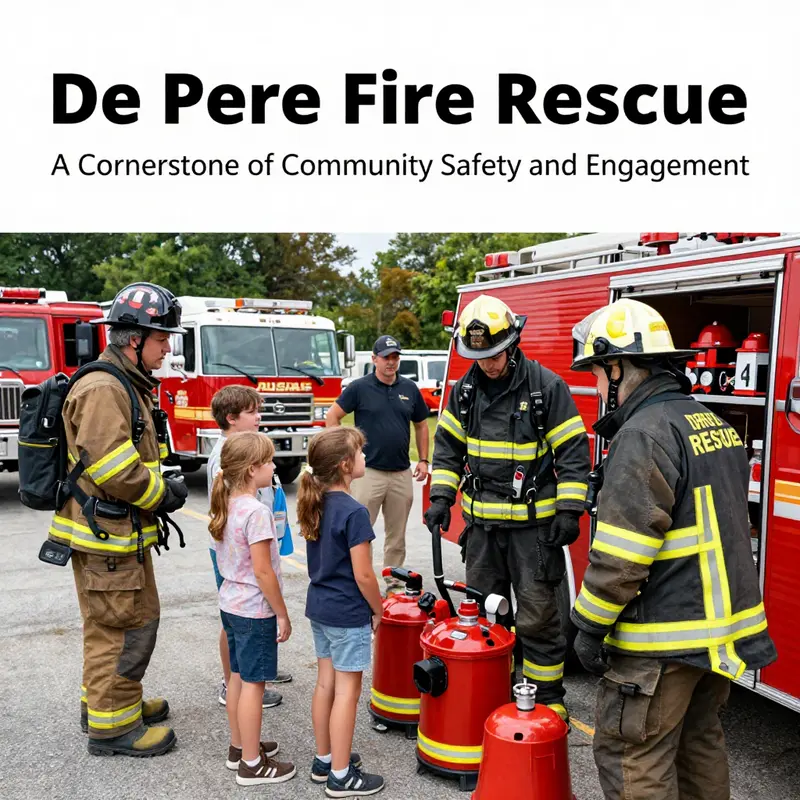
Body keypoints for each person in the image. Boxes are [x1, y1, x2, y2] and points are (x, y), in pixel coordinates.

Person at [568, 298, 777, 800]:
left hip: (659, 642)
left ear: (616, 367)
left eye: (598, 373)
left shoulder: (643, 435)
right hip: (714, 641)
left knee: (632, 753)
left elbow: (621, 555)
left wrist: (589, 626)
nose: (597, 387)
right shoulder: (712, 425)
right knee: (699, 745)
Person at [424, 294, 590, 721]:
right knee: (483, 616)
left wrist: (570, 511)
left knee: (538, 619)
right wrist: (441, 497)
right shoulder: (464, 392)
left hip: (534, 534)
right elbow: (446, 452)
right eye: (479, 356)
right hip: (482, 533)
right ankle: (490, 693)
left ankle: (547, 701)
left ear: (512, 344)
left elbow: (572, 452)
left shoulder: (545, 388)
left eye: (494, 355)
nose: (488, 364)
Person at [48, 282, 189, 756]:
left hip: (116, 535)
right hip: (106, 537)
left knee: (120, 622)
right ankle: (114, 729)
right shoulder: (106, 387)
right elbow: (113, 469)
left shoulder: (123, 381)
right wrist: (163, 494)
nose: (167, 348)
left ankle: (113, 703)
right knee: (122, 627)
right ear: (135, 340)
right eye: (161, 338)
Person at [299, 427, 385, 797]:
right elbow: (363, 574)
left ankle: (324, 759)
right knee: (348, 691)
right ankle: (341, 774)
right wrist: (378, 609)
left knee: (325, 684)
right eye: (361, 455)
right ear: (346, 465)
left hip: (320, 606)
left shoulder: (315, 502)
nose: (366, 459)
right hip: (347, 611)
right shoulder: (355, 512)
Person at [209, 431, 296, 786]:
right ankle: (251, 764)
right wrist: (282, 612)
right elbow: (263, 570)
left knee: (236, 679)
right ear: (251, 470)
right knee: (253, 684)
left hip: (230, 603)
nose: (274, 466)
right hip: (254, 609)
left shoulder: (224, 503)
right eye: (269, 461)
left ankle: (239, 746)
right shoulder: (256, 512)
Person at [207, 385, 292, 710]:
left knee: (239, 620)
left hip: (250, 545)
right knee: (239, 621)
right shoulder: (228, 457)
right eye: (252, 412)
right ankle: (234, 681)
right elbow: (259, 569)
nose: (259, 416)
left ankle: (252, 669)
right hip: (242, 554)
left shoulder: (244, 449)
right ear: (231, 418)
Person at [326, 335, 429, 595]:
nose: (391, 362)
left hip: (400, 472)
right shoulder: (359, 388)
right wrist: (343, 454)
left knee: (397, 535)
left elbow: (421, 424)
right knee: (359, 531)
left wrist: (425, 460)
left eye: (395, 357)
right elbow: (332, 417)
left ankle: (394, 584)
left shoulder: (409, 389)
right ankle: (354, 579)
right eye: (386, 357)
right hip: (367, 473)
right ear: (374, 359)